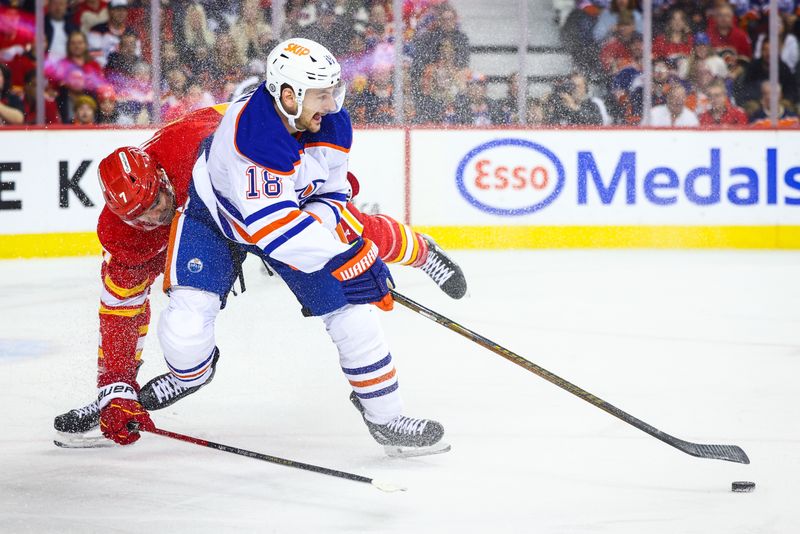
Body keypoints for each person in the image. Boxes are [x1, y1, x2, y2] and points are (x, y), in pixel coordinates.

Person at [55, 90, 466, 450]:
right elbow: (121, 308)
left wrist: (319, 187)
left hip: (256, 202)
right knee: (186, 321)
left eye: (159, 202)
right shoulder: (122, 231)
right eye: (142, 217)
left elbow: (265, 135)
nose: (156, 218)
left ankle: (421, 251)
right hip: (205, 221)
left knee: (349, 228)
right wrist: (116, 386)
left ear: (162, 176)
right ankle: (189, 374)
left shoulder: (200, 142)